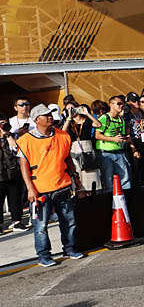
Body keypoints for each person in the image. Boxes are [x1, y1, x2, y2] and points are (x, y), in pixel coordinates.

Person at [17, 104, 84, 266]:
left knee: (69, 221)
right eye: (45, 115)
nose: (50, 117)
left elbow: (67, 159)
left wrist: (76, 179)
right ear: (36, 120)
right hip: (40, 190)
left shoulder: (62, 135)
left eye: (50, 114)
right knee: (41, 226)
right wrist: (30, 189)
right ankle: (44, 255)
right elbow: (23, 167)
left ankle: (70, 248)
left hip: (63, 185)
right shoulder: (26, 140)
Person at [95, 95, 133, 190]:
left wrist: (125, 139)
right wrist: (113, 139)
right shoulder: (104, 118)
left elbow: (121, 134)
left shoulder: (121, 120)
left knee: (125, 179)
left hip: (119, 152)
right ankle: (111, 203)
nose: (121, 106)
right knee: (109, 181)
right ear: (111, 105)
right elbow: (97, 135)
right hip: (106, 153)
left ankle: (126, 201)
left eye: (122, 104)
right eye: (119, 104)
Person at [65, 104, 102, 197]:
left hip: (87, 151)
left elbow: (98, 124)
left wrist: (87, 113)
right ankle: (83, 206)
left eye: (72, 108)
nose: (71, 110)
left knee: (91, 183)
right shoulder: (69, 123)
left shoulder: (87, 121)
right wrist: (69, 119)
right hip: (74, 151)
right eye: (68, 109)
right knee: (79, 185)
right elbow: (63, 132)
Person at [0, 120, 25, 232]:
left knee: (15, 199)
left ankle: (17, 222)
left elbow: (16, 148)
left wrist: (8, 134)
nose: (3, 126)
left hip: (13, 173)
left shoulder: (13, 135)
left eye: (5, 123)